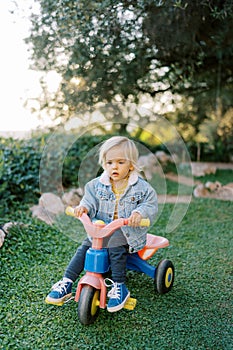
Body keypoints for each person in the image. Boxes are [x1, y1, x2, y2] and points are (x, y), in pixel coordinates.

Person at [45, 136, 158, 312]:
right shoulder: (96, 185)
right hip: (101, 230)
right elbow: (89, 201)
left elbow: (149, 204)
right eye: (109, 162)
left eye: (121, 162)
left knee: (114, 244)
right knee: (84, 247)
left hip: (127, 231)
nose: (114, 166)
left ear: (131, 165)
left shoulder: (141, 188)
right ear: (104, 164)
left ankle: (120, 286)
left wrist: (139, 213)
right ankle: (67, 281)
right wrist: (83, 207)